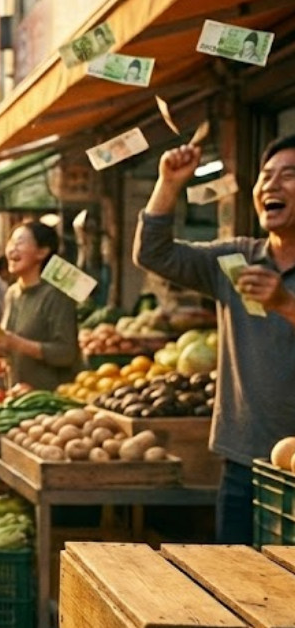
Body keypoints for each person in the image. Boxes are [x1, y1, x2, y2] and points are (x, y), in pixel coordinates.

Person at [134, 136, 295, 544]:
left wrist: (285, 304)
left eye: (289, 175)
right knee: (235, 588)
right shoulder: (236, 259)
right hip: (242, 461)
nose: (272, 185)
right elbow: (155, 254)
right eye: (266, 176)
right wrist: (168, 185)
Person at [0, 222, 80, 391]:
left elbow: (65, 354)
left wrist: (15, 342)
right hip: (18, 395)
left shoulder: (57, 295)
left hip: (51, 399)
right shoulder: (12, 293)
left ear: (42, 252)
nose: (11, 249)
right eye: (10, 243)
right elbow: (11, 346)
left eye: (20, 242)